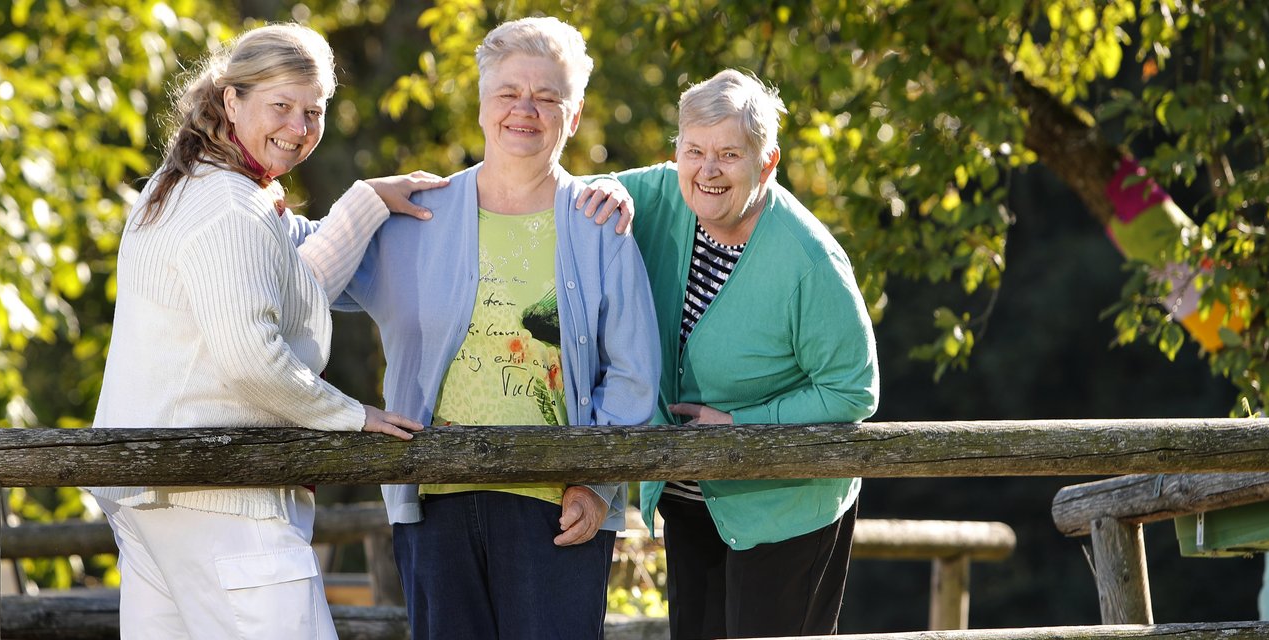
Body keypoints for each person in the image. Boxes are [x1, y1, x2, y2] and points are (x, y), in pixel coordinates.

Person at [86, 24, 445, 639]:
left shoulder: (191, 186)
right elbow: (252, 357)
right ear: (232, 101)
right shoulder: (228, 204)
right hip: (219, 494)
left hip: (157, 493)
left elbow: (286, 287)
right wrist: (350, 414)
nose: (299, 127)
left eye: (314, 111)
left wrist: (365, 202)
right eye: (280, 106)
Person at [335, 17, 660, 640]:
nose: (525, 110)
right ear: (482, 102)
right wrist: (366, 197)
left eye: (547, 96)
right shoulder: (417, 217)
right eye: (509, 92)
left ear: (575, 112)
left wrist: (595, 487)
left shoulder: (599, 228)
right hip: (433, 503)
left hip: (557, 511)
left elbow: (635, 374)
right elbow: (303, 276)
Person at [582, 69, 880, 638]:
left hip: (786, 506)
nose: (707, 170)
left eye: (729, 154)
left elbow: (853, 391)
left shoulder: (809, 259)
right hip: (692, 497)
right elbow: (568, 195)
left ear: (766, 163)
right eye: (694, 150)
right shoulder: (662, 191)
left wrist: (744, 425)